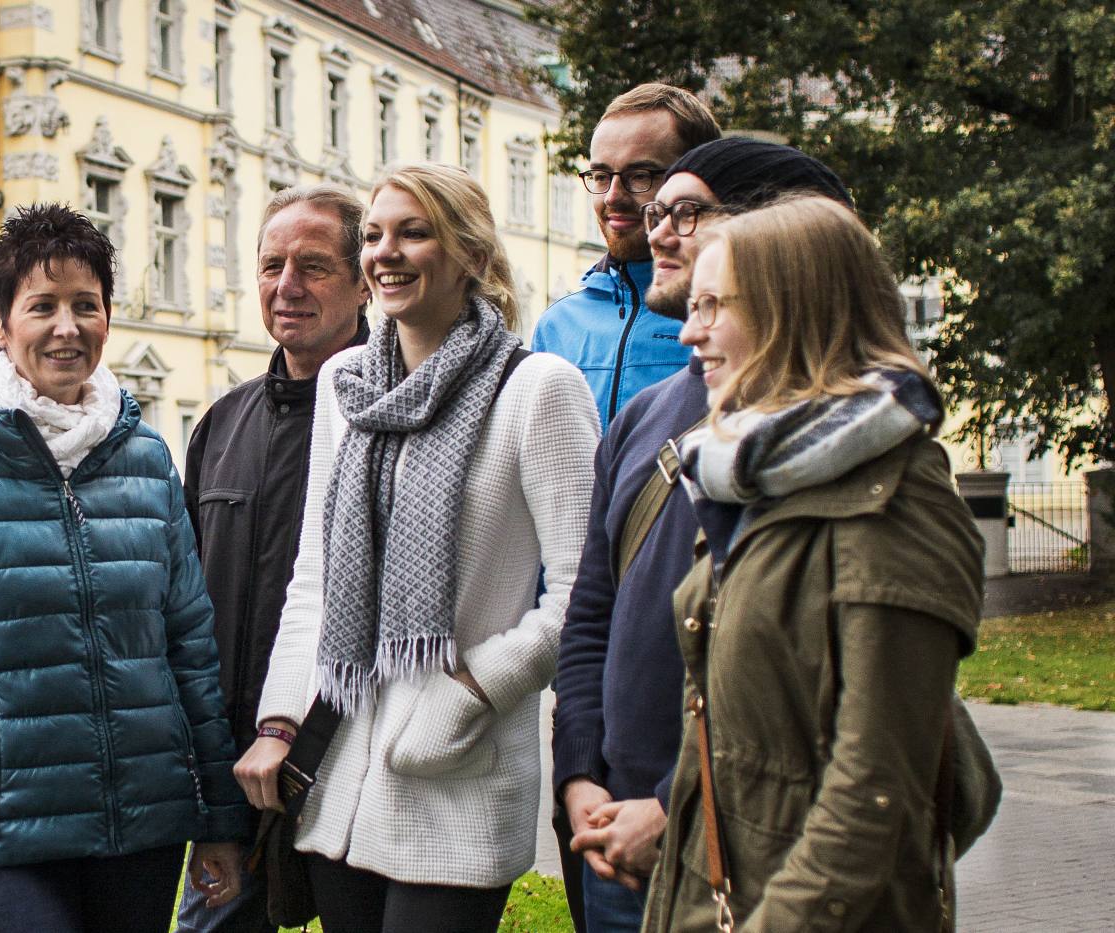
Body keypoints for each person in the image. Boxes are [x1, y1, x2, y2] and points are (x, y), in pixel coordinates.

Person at [0, 204, 250, 933]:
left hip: (144, 820)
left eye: (85, 305)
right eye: (42, 305)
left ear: (108, 316)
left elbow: (191, 650)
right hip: (7, 828)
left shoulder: (146, 458)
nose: (67, 327)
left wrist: (219, 813)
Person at [234, 163, 597, 933]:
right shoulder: (345, 385)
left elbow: (586, 591)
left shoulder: (537, 390)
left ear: (469, 253)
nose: (385, 251)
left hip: (459, 768)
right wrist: (278, 722)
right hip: (340, 771)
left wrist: (472, 690)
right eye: (373, 235)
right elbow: (315, 580)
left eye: (413, 231)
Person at [643, 194, 983, 930]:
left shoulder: (896, 502)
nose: (688, 332)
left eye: (713, 306)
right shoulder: (754, 481)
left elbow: (873, 796)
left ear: (793, 308)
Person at [552, 138, 856, 933]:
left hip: (749, 843)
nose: (655, 232)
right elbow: (591, 615)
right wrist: (581, 776)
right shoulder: (642, 420)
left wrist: (670, 806)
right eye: (655, 214)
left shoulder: (837, 437)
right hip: (610, 835)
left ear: (773, 232)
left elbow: (829, 697)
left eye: (685, 212)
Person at [175, 183, 370, 933]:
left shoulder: (397, 415)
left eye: (314, 266)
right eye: (271, 264)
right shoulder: (223, 422)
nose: (287, 286)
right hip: (239, 772)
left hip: (354, 763)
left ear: (362, 282)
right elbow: (188, 602)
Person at [532, 84, 721, 429]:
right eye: (601, 176)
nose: (613, 196)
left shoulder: (729, 317)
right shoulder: (557, 325)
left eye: (640, 176)